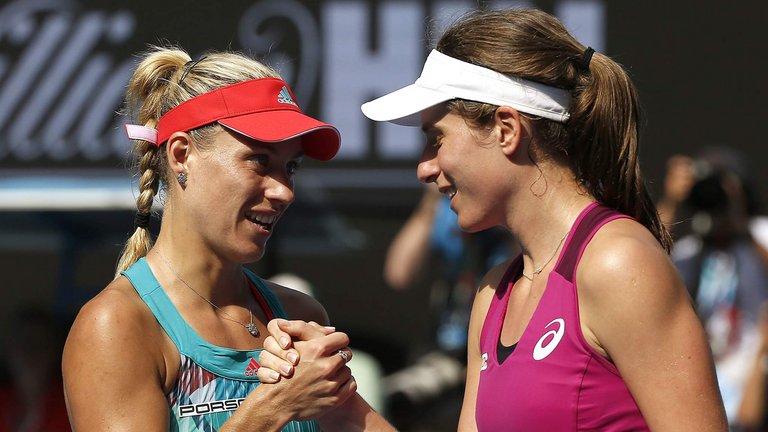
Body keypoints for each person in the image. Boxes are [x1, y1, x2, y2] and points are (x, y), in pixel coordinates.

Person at [256, 8, 728, 431]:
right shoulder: (493, 292)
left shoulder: (618, 263)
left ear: (506, 130)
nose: (423, 167)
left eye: (435, 139)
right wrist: (338, 399)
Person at [61, 46, 390, 431]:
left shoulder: (300, 316)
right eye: (259, 161)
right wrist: (273, 408)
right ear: (182, 155)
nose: (285, 191)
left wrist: (343, 401)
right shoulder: (117, 325)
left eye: (291, 167)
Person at [657, 148, 768, 425]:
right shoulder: (689, 250)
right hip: (705, 380)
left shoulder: (759, 234)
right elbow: (647, 256)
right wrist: (672, 200)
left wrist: (738, 216)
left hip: (753, 380)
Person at [0, 305, 70, 432]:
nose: (30, 352)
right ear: (7, 351)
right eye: (22, 343)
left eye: (39, 344)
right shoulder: (2, 401)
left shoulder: (71, 406)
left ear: (55, 352)